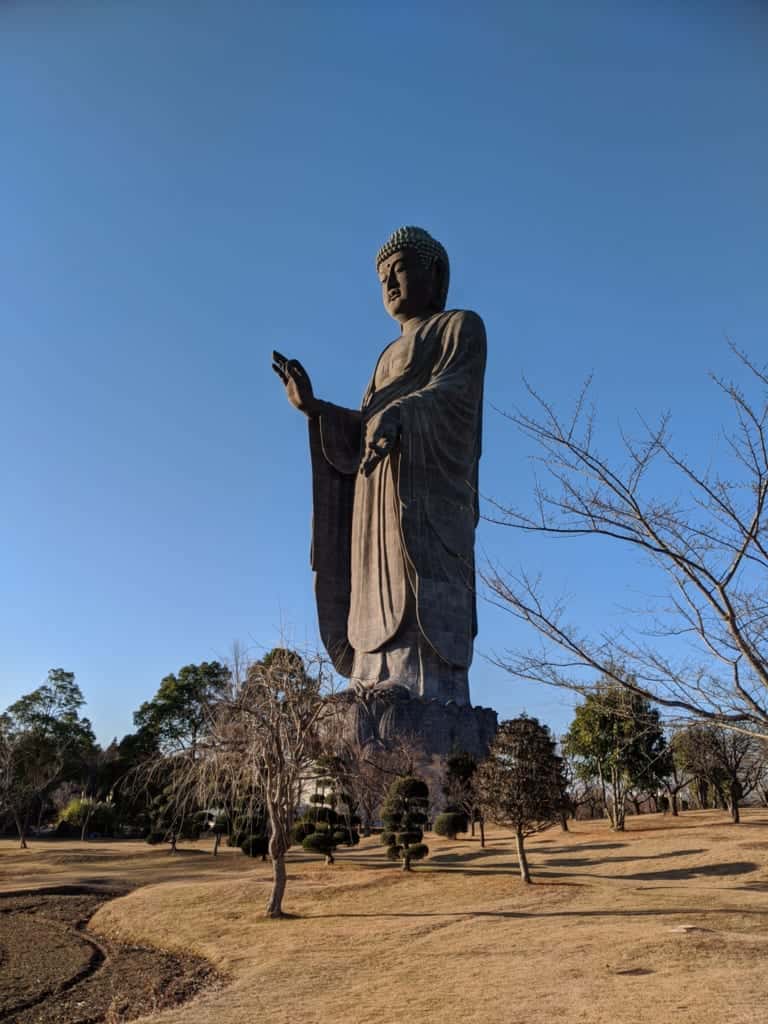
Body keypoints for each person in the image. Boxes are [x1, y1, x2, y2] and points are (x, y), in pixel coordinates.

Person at [272, 226, 486, 705]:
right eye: (382, 276)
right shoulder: (386, 355)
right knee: (371, 581)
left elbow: (457, 393)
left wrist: (402, 412)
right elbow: (363, 427)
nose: (389, 283)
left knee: (415, 582)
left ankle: (422, 684)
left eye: (400, 269)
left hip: (424, 490)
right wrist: (316, 409)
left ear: (436, 272)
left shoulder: (458, 327)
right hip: (377, 494)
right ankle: (371, 675)